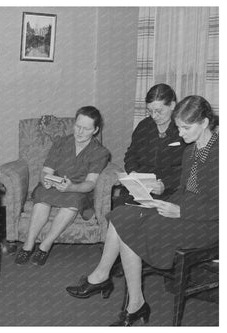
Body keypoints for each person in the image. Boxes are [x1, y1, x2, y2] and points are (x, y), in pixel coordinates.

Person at [65, 95, 218, 326]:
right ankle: (116, 287)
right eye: (178, 127)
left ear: (205, 122)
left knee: (133, 228)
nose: (181, 133)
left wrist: (180, 212)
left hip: (208, 224)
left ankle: (130, 301)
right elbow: (185, 191)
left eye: (186, 128)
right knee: (123, 214)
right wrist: (157, 203)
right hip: (184, 209)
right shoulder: (191, 150)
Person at [15, 106, 110, 266]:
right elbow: (46, 170)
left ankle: (45, 246)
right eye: (77, 126)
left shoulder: (100, 152)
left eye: (86, 129)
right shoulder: (61, 142)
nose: (79, 132)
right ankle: (28, 244)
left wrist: (71, 187)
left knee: (72, 202)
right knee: (42, 195)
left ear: (95, 130)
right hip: (55, 183)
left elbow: (90, 183)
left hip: (79, 189)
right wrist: (46, 179)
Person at [114, 83, 187, 207]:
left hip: (170, 189)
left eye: (158, 111)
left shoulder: (183, 130)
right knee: (119, 210)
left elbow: (189, 168)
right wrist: (133, 173)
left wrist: (166, 184)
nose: (154, 116)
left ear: (172, 105)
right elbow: (131, 154)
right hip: (140, 188)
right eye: (150, 111)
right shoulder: (144, 126)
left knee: (154, 219)